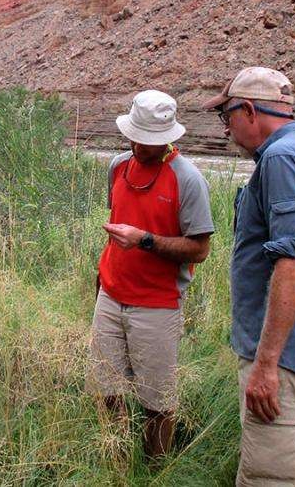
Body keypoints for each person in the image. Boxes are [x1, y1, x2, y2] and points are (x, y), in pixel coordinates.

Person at [203, 67, 295, 486]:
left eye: (226, 116)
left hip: (286, 365)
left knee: (271, 477)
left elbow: (293, 264)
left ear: (249, 110)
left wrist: (266, 365)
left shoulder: (282, 159)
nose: (226, 129)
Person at [87, 89, 215, 461]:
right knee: (106, 389)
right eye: (136, 138)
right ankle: (117, 462)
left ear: (169, 139)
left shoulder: (188, 180)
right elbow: (116, 229)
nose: (140, 146)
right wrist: (101, 286)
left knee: (157, 401)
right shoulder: (117, 167)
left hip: (158, 306)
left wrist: (144, 241)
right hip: (110, 297)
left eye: (149, 141)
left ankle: (156, 469)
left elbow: (200, 250)